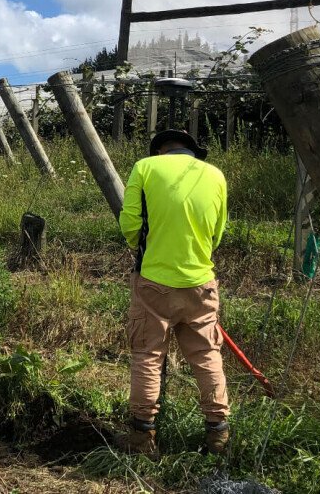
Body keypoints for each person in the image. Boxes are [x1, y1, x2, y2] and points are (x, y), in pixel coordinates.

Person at [118, 129, 229, 456]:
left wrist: (144, 251)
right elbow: (218, 231)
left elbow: (129, 223)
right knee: (207, 356)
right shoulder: (216, 175)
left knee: (148, 356)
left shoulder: (145, 167)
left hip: (154, 282)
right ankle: (218, 436)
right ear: (191, 151)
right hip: (201, 284)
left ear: (160, 151)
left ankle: (142, 438)